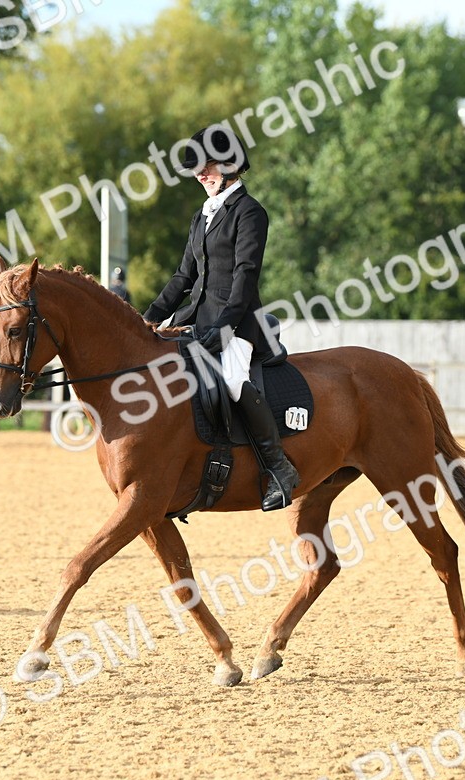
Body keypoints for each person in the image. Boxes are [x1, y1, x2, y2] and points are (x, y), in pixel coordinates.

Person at [142, 124, 299, 512]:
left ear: (229, 165)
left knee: (231, 379)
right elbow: (184, 277)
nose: (200, 175)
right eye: (197, 169)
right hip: (196, 319)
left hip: (239, 322)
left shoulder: (250, 212)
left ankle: (279, 468)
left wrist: (225, 328)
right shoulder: (202, 216)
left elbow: (245, 276)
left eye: (207, 167)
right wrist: (146, 319)